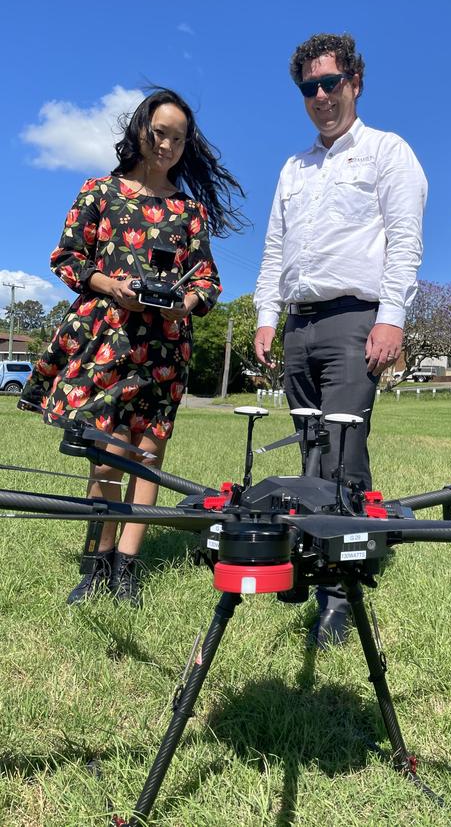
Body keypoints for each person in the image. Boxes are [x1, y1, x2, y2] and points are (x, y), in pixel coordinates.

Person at [20, 87, 244, 605]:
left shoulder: (189, 210)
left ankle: (127, 566)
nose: (166, 144)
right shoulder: (100, 191)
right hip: (107, 340)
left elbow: (208, 280)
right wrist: (113, 287)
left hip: (164, 346)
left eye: (178, 138)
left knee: (147, 454)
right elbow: (67, 258)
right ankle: (97, 563)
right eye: (159, 132)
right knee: (105, 457)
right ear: (141, 130)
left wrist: (184, 303)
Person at [253, 33, 427, 646]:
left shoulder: (388, 152)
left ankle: (341, 592)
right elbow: (275, 247)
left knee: (343, 449)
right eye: (309, 87)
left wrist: (391, 317)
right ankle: (308, 562)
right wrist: (266, 314)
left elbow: (405, 241)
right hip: (299, 323)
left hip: (357, 317)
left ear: (355, 82)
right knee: (308, 446)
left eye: (331, 83)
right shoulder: (293, 168)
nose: (321, 96)